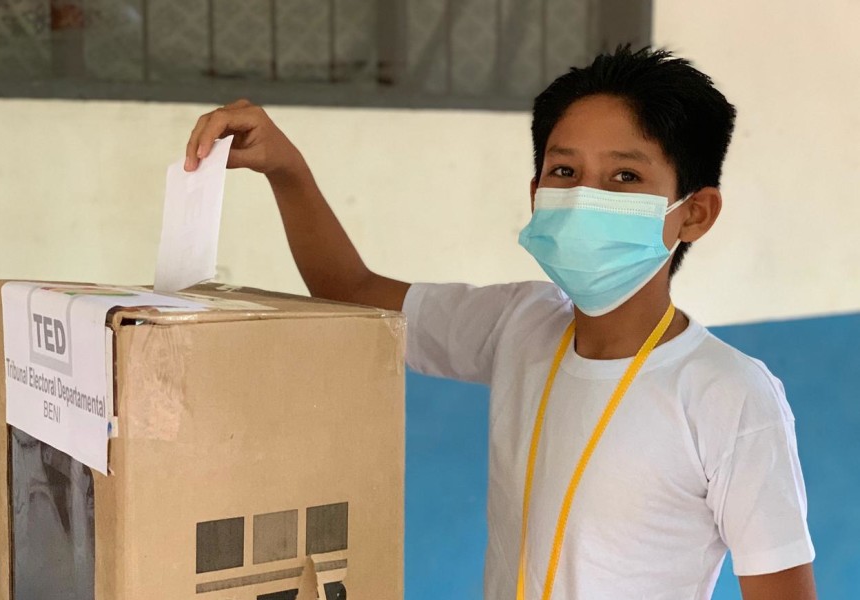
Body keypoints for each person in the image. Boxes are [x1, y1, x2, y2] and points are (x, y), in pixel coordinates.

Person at [184, 46, 816, 600]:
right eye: (564, 172)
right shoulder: (521, 325)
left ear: (696, 213)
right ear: (536, 191)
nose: (584, 196)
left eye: (625, 176)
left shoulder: (729, 396)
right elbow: (351, 292)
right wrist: (287, 168)